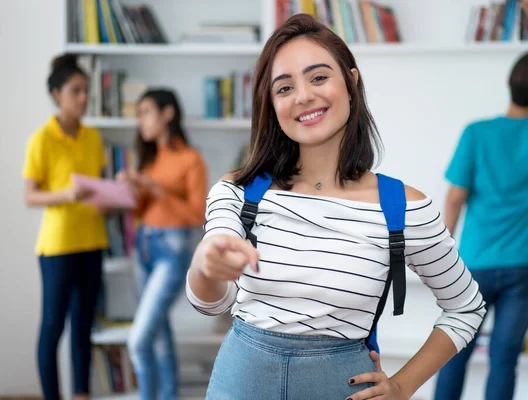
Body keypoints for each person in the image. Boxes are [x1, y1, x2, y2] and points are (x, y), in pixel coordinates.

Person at [186, 14, 486, 400]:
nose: (303, 96)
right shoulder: (238, 192)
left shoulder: (404, 208)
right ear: (271, 104)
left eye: (318, 77)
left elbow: (466, 308)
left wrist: (403, 386)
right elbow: (211, 303)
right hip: (239, 384)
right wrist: (205, 266)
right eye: (284, 87)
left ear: (351, 82)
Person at [434, 1, 528, 399]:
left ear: (508, 83)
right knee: (505, 358)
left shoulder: (477, 134)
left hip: (476, 262)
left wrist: (441, 254)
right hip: (526, 264)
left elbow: (454, 199)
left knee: (453, 352)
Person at [23, 54, 108, 400]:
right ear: (57, 94)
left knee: (83, 328)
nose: (84, 98)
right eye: (76, 91)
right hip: (57, 246)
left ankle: (81, 395)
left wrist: (111, 196)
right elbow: (30, 196)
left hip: (93, 241)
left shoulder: (93, 138)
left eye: (86, 90)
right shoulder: (42, 139)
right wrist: (66, 194)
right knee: (53, 327)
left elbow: (99, 189)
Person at [117, 89, 208, 400]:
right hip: (143, 245)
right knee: (157, 334)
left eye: (145, 112)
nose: (140, 120)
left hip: (173, 250)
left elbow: (197, 213)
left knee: (139, 340)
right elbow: (141, 212)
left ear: (167, 113)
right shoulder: (150, 159)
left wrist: (157, 190)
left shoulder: (191, 159)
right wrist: (132, 190)